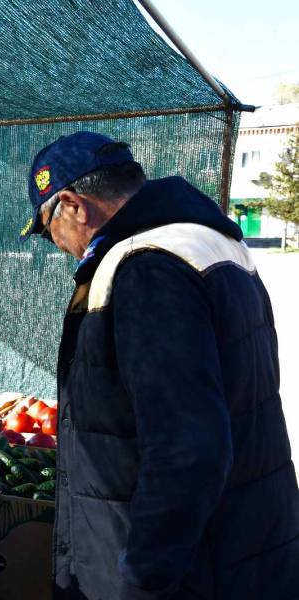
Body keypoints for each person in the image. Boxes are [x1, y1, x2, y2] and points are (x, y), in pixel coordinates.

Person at [19, 132, 299, 599]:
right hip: (246, 543)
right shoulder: (211, 243)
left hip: (195, 570)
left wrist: (144, 577)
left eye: (49, 230)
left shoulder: (147, 268)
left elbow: (187, 448)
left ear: (71, 204)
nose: (58, 245)